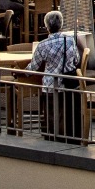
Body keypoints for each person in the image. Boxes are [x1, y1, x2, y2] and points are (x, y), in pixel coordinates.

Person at [25, 10, 83, 140]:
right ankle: (72, 136)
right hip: (69, 83)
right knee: (70, 113)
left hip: (51, 85)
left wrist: (21, 72)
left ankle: (53, 136)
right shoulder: (70, 40)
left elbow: (33, 67)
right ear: (61, 25)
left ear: (46, 26)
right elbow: (76, 60)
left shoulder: (43, 45)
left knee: (52, 113)